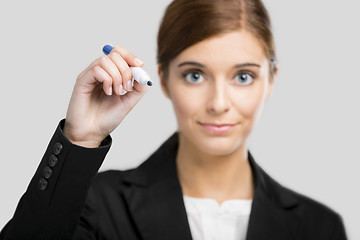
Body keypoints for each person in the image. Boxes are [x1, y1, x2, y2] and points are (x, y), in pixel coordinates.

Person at [0, 0, 347, 239]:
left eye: (243, 76)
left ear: (270, 80)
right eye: (195, 75)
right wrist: (81, 138)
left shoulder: (318, 227)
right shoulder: (97, 205)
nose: (218, 103)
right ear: (164, 78)